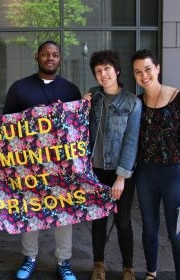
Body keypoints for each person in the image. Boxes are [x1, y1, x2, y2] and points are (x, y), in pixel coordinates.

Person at [3, 40, 82, 280]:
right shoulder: (19, 88)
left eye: (55, 54)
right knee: (30, 211)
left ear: (60, 59)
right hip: (28, 164)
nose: (50, 58)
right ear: (37, 56)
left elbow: (79, 127)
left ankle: (64, 261)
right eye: (46, 54)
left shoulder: (71, 90)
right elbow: (6, 126)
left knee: (64, 213)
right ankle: (29, 258)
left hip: (62, 166)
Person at [84, 50, 141, 280]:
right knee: (98, 220)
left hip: (121, 173)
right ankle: (98, 264)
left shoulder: (132, 102)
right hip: (95, 170)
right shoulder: (93, 97)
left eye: (107, 69)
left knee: (123, 221)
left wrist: (121, 177)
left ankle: (128, 267)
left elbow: (131, 140)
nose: (103, 74)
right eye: (98, 71)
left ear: (116, 71)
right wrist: (82, 105)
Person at [132, 49, 180, 280]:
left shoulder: (177, 97)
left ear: (158, 68)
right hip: (145, 173)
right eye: (138, 72)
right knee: (149, 227)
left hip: (174, 173)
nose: (144, 75)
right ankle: (151, 272)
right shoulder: (136, 104)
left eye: (148, 69)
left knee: (176, 231)